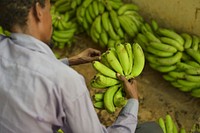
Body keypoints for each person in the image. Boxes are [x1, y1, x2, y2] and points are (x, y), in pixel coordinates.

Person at [0, 0, 163, 133]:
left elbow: (28, 71)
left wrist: (71, 60)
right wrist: (133, 101)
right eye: (49, 9)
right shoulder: (66, 82)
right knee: (151, 130)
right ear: (38, 11)